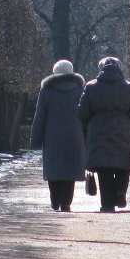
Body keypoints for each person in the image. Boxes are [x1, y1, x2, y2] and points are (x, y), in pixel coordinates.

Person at [78, 56, 130, 213]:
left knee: (104, 169)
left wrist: (84, 134)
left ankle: (107, 204)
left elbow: (82, 114)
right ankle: (120, 191)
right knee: (123, 165)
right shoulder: (128, 87)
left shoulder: (91, 87)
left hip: (97, 129)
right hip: (123, 129)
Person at [30, 59, 86, 211]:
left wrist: (35, 139)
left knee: (53, 169)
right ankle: (66, 202)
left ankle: (55, 200)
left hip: (52, 135)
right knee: (70, 170)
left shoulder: (47, 90)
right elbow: (85, 114)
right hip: (74, 134)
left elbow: (39, 115)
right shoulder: (79, 89)